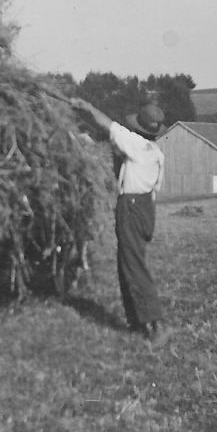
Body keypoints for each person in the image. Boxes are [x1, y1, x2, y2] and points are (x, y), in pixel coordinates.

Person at [69, 93, 172, 346]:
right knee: (127, 264)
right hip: (145, 208)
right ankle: (137, 322)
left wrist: (86, 106)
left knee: (134, 266)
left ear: (139, 127)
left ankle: (156, 325)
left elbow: (107, 124)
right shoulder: (155, 152)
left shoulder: (134, 143)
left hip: (132, 207)